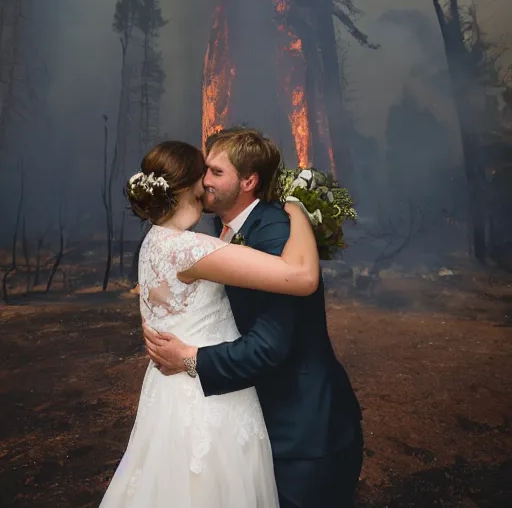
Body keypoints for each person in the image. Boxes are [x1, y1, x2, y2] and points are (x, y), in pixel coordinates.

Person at [144, 127, 364, 508]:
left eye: (215, 172)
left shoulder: (275, 231)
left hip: (302, 431)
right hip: (262, 419)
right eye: (203, 170)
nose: (203, 180)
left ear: (248, 181)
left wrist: (190, 358)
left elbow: (270, 344)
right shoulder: (219, 229)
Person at [99, 140, 319, 508]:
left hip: (168, 392)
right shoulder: (191, 248)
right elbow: (302, 277)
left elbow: (156, 313)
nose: (208, 181)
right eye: (205, 172)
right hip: (208, 399)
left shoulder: (154, 240)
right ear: (190, 186)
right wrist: (299, 209)